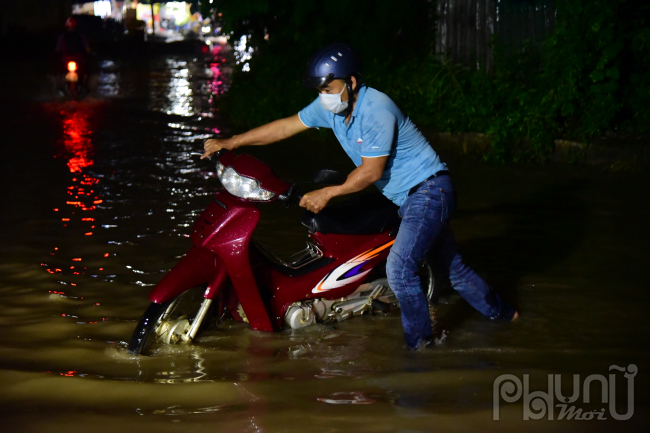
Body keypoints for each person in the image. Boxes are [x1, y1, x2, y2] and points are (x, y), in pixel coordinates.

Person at [202, 43, 518, 350]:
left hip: (430, 190)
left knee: (400, 268)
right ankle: (507, 316)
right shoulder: (334, 108)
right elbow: (286, 126)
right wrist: (232, 141)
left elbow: (370, 172)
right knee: (453, 269)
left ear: (351, 82)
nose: (323, 96)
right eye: (319, 90)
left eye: (328, 87)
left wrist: (329, 193)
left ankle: (420, 349)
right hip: (406, 197)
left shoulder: (376, 108)